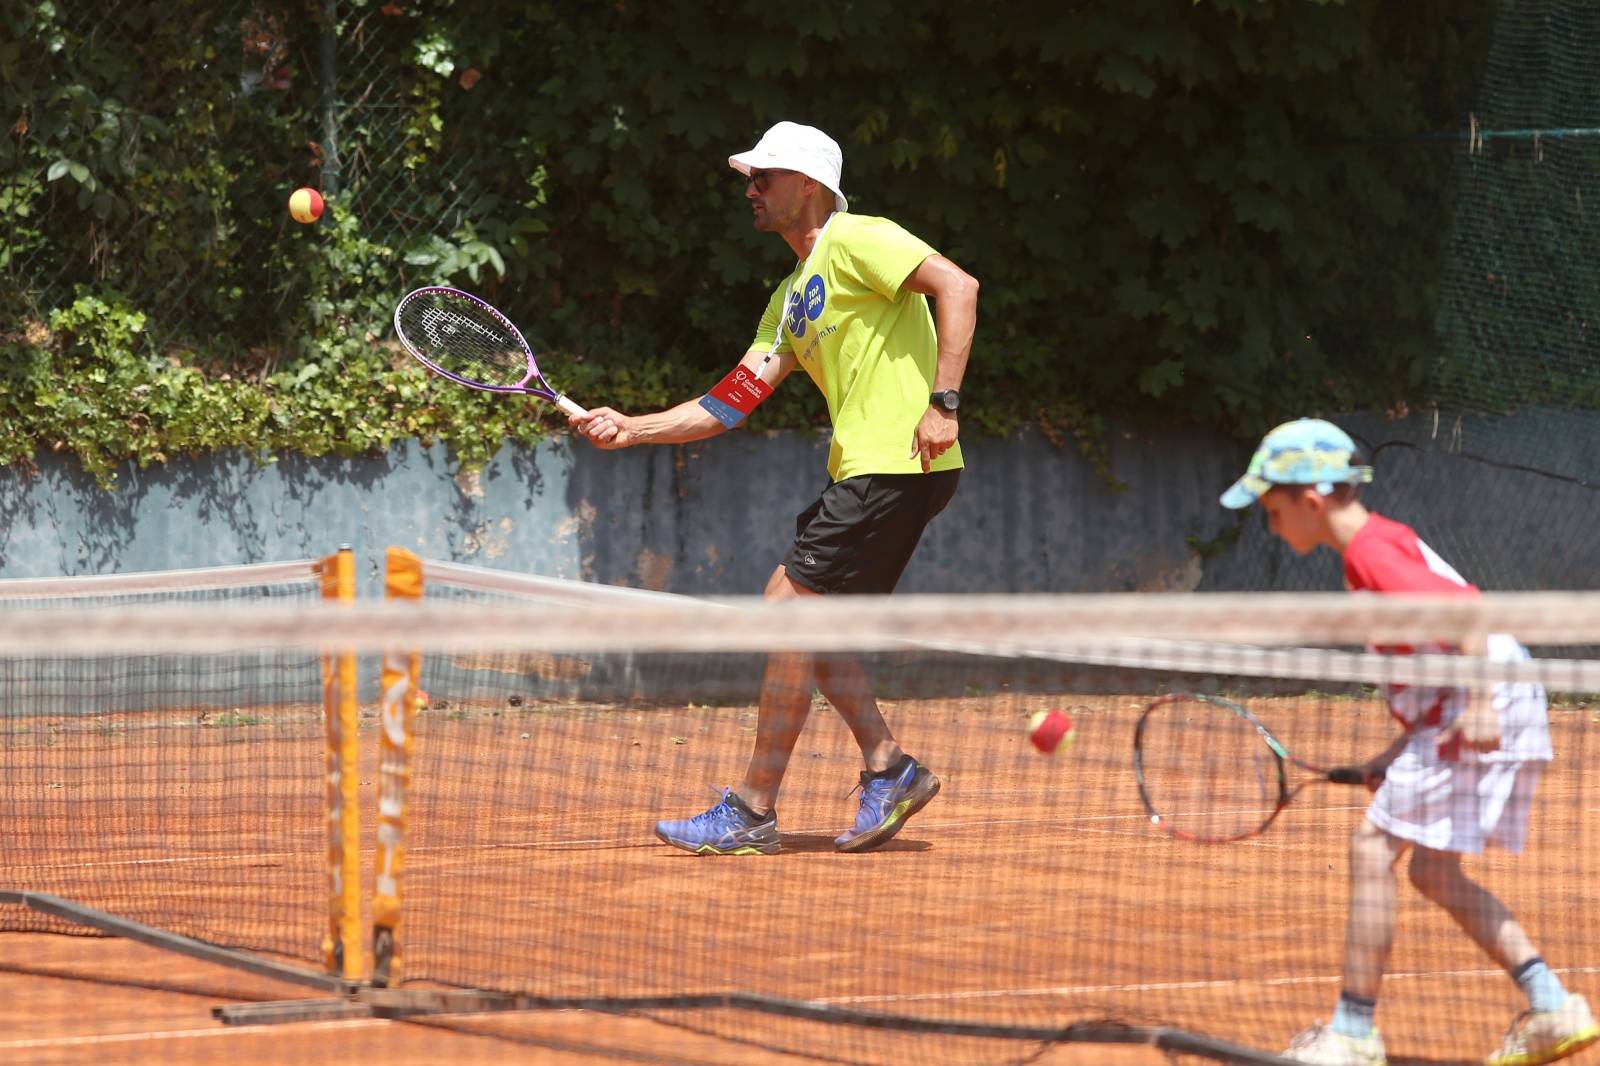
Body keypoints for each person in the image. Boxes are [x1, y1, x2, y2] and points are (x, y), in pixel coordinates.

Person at [570, 121, 979, 855]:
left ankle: (754, 808)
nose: (750, 191)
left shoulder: (858, 238)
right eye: (749, 179)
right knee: (807, 630)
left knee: (785, 610)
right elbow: (729, 401)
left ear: (810, 186)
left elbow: (959, 285)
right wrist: (634, 428)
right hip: (866, 471)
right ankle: (890, 768)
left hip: (897, 462)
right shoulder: (790, 298)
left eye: (765, 177)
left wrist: (943, 403)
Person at [1220, 418, 1597, 1066]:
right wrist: (1399, 751)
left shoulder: (1370, 553)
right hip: (1488, 692)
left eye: (1272, 509)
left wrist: (1478, 702)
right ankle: (1552, 1006)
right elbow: (1432, 655)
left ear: (1310, 500)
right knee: (1430, 869)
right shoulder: (1371, 550)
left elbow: (1467, 613)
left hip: (1490, 693)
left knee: (1371, 851)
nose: (1271, 524)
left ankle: (1353, 1035)